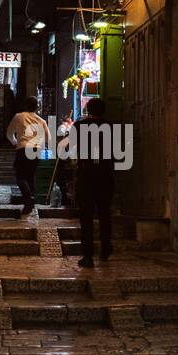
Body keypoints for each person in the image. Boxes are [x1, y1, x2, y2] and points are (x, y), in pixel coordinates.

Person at [72, 98, 114, 268]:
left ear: (88, 109)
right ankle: (105, 249)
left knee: (86, 217)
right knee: (105, 214)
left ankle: (88, 255)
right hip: (105, 175)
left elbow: (74, 150)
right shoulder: (111, 127)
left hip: (86, 175)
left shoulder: (79, 126)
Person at [5, 96, 50, 220]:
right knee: (30, 176)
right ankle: (29, 203)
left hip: (23, 148)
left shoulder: (19, 116)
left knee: (20, 177)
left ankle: (28, 200)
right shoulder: (41, 121)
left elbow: (9, 133)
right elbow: (48, 139)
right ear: (37, 107)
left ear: (25, 105)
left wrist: (16, 143)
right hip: (36, 150)